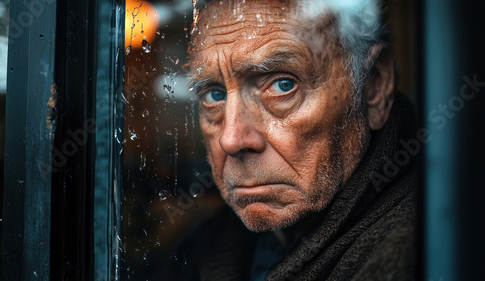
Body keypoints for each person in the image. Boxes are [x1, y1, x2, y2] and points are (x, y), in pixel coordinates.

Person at [169, 0, 418, 280]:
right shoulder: (195, 248)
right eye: (214, 94)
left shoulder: (430, 248)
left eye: (282, 84)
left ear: (373, 85)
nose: (231, 139)